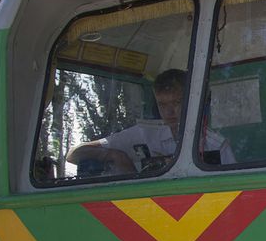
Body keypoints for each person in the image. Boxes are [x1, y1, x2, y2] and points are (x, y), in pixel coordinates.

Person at [67, 69, 234, 174]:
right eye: (162, 104)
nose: (169, 112)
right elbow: (74, 154)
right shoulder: (142, 133)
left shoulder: (216, 145)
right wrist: (114, 155)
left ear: (192, 102)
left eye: (176, 103)